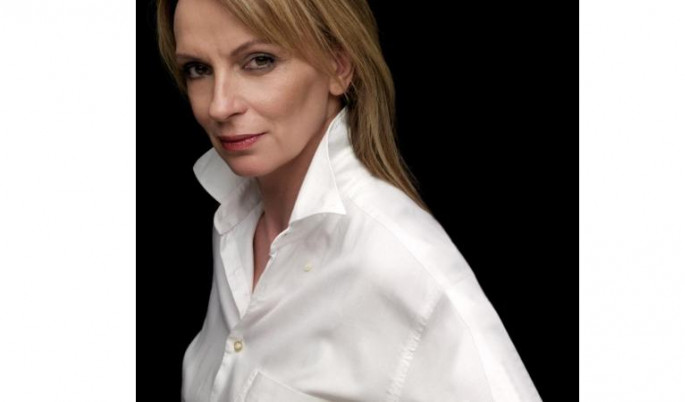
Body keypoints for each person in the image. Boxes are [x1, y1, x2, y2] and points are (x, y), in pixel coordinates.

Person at [156, 0, 542, 400]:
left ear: (338, 66)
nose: (219, 106)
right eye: (198, 69)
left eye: (259, 61)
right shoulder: (236, 223)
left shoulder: (397, 260)